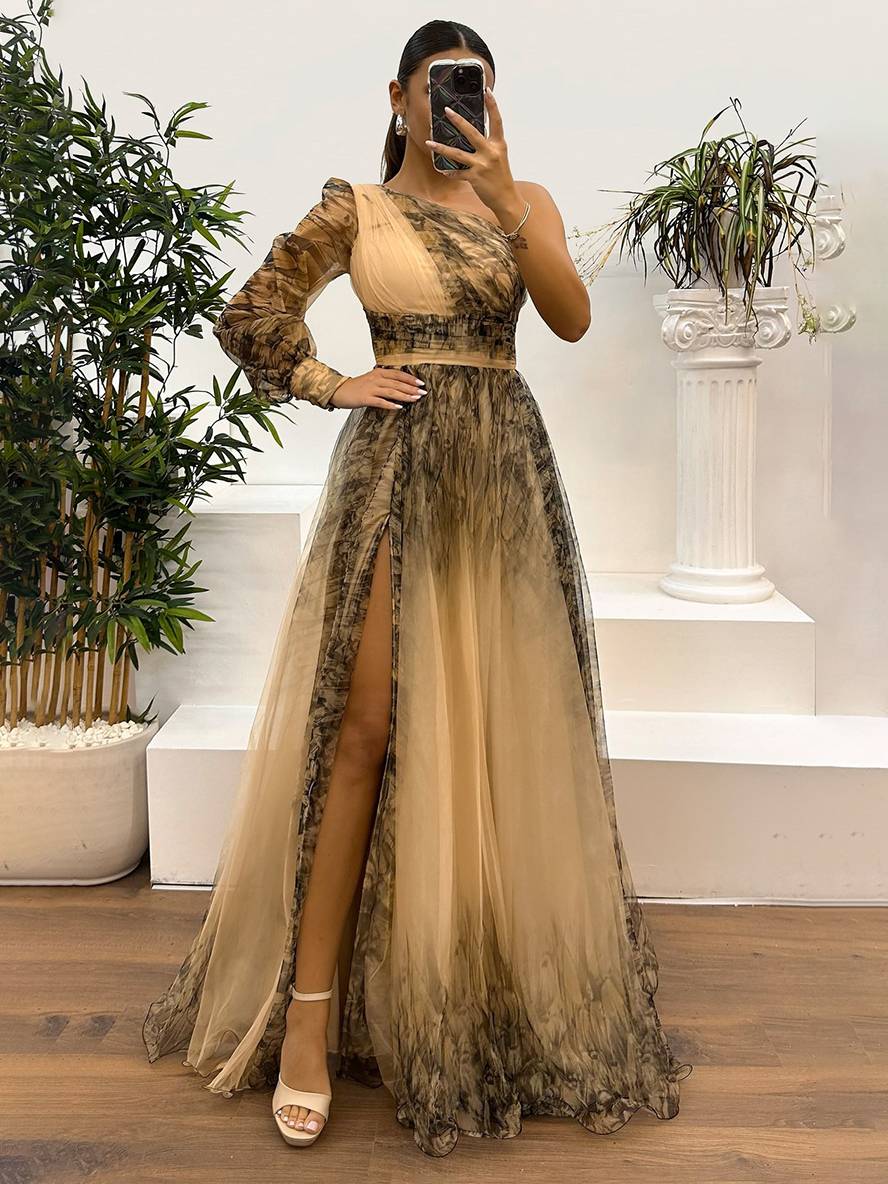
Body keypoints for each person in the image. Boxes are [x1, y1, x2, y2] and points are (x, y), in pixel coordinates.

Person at [141, 18, 693, 1159]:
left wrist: (503, 194)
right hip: (397, 470)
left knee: (491, 731)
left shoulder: (521, 200)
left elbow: (572, 319)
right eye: (442, 88)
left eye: (476, 88)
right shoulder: (354, 207)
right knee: (366, 729)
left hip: (499, 478)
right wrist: (330, 381)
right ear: (397, 98)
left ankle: (469, 994)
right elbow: (250, 314)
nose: (457, 105)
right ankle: (307, 1015)